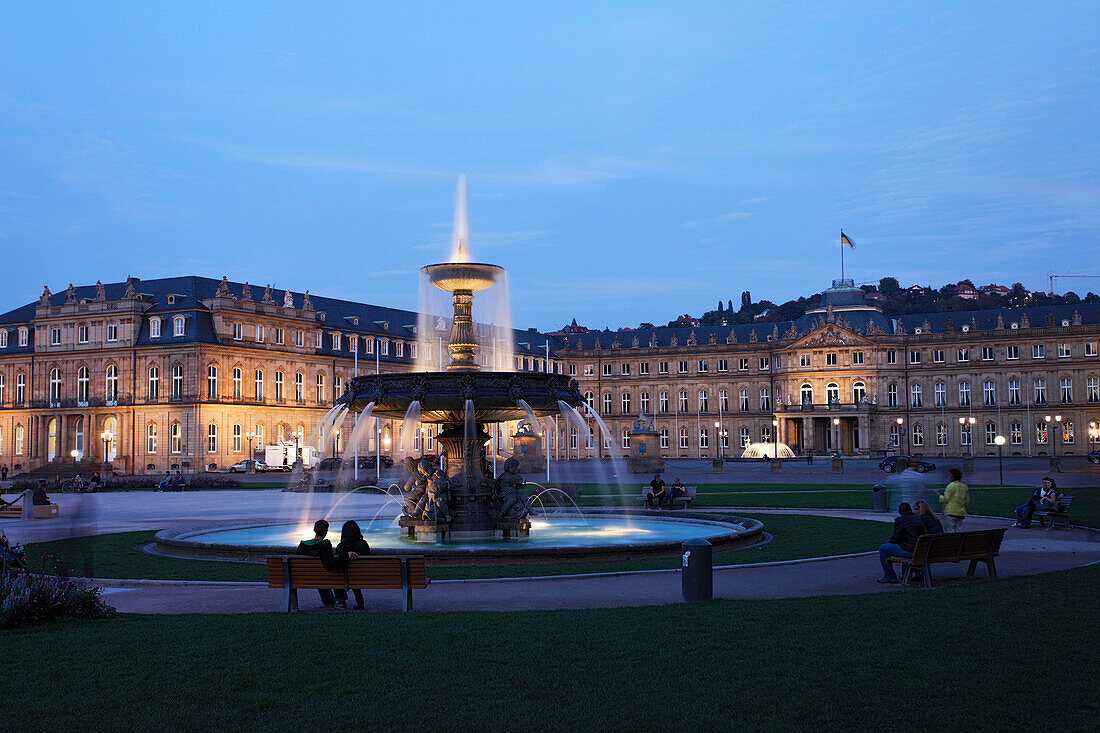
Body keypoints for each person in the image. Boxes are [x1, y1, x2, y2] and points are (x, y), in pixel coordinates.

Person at [296, 519, 358, 609]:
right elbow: (329, 565)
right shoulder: (325, 545)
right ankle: (339, 601)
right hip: (323, 577)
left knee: (320, 576)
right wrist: (346, 555)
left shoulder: (302, 546)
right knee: (335, 572)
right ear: (326, 532)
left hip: (307, 577)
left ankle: (328, 602)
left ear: (314, 530)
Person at [876, 502, 926, 584]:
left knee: (883, 548)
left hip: (911, 550)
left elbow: (895, 537)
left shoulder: (901, 520)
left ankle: (890, 576)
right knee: (904, 546)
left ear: (900, 512)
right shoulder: (918, 519)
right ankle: (906, 574)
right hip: (920, 551)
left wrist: (889, 542)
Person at [335, 520, 371, 610]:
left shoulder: (340, 547)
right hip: (363, 576)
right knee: (354, 575)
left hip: (345, 577)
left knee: (337, 574)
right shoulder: (363, 544)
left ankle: (341, 602)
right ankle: (360, 602)